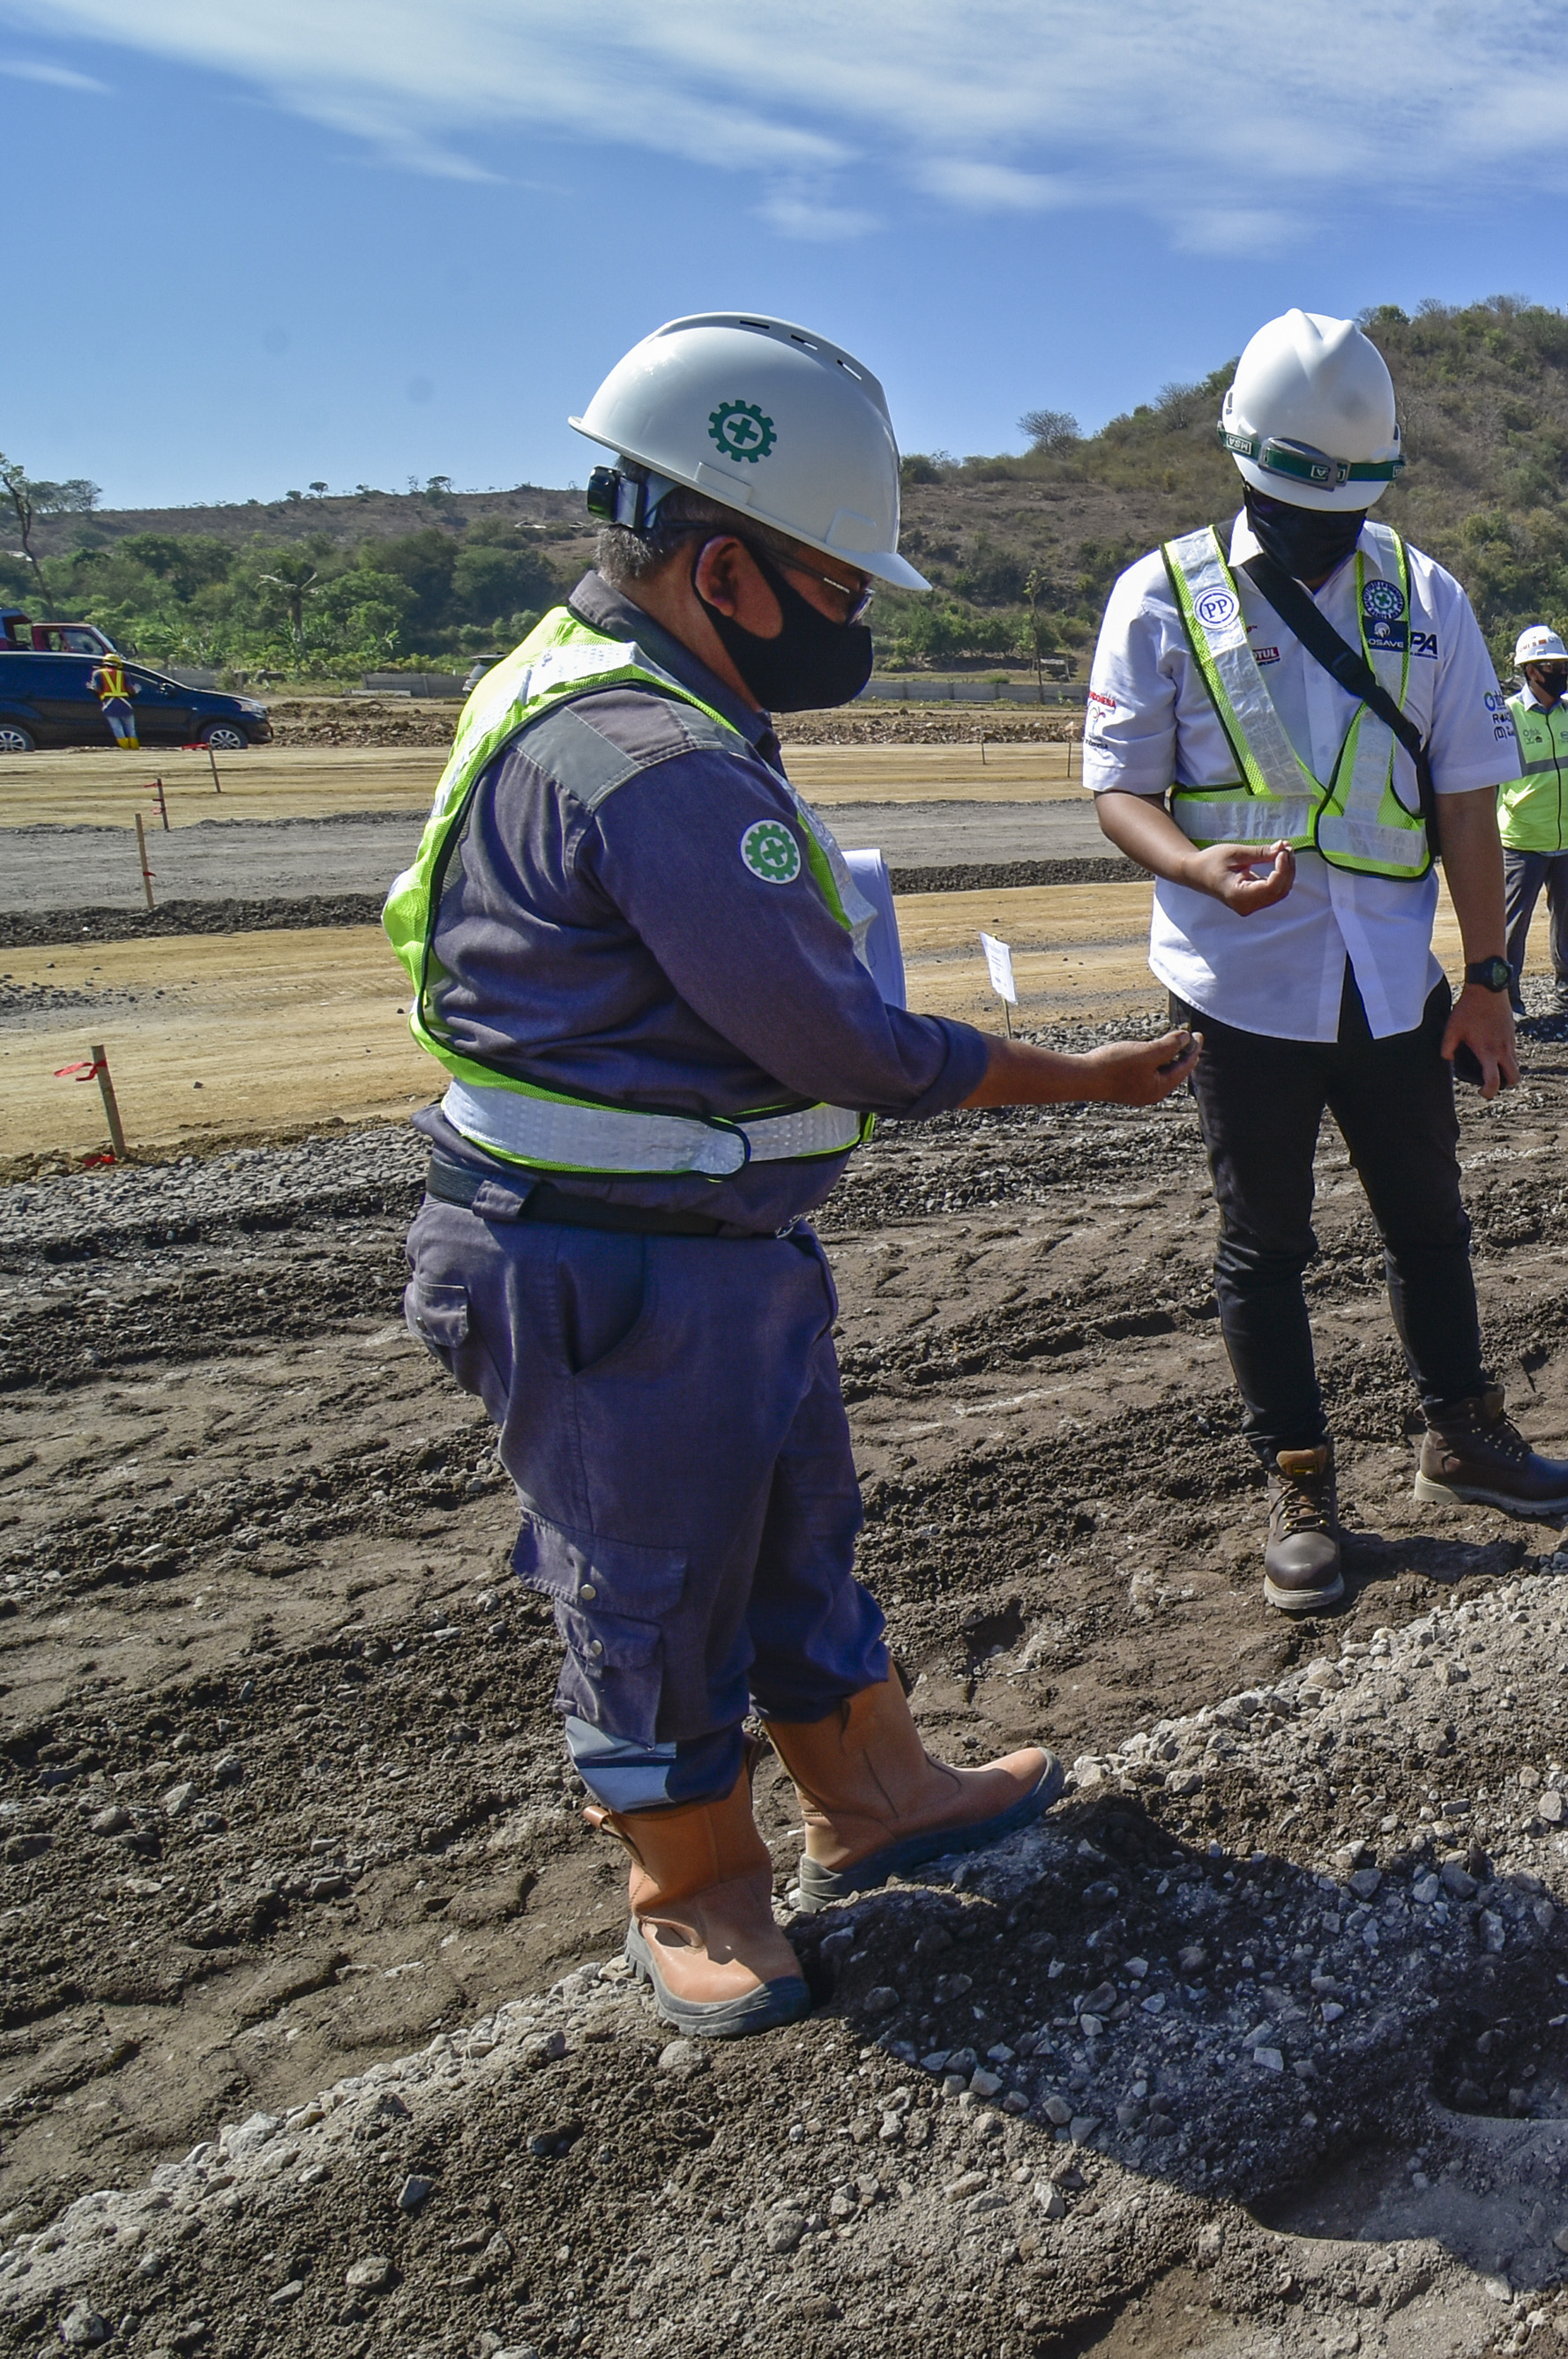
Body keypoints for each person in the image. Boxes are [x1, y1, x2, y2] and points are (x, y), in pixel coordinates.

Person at [389, 312, 1196, 2042]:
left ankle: (876, 1788)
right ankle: (690, 1886)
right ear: (725, 570)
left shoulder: (607, 691)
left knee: (791, 1536)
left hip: (707, 1241)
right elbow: (849, 1044)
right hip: (606, 1264)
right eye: (838, 581)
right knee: (649, 1574)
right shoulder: (657, 767)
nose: (852, 616)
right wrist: (1085, 1072)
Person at [1084, 309, 1568, 1620]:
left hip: (1391, 978)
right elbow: (1118, 787)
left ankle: (1460, 1432)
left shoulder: (1424, 596)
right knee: (1266, 1243)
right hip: (1238, 983)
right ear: (1244, 462)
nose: (1320, 530)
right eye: (1294, 502)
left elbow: (1467, 797)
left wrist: (1489, 978)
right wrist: (1193, 866)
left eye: (1347, 504)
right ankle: (1300, 1479)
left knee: (1429, 1219)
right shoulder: (1162, 594)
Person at [1499, 624, 1568, 1012]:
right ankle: (1508, 1001)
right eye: (1550, 665)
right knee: (1512, 926)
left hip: (1566, 838)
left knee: (1567, 919)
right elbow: (1491, 782)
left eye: (1562, 664)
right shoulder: (1508, 715)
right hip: (1521, 841)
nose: (1559, 671)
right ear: (1531, 670)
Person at [92, 650, 138, 750]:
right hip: (125, 705)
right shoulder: (124, 674)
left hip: (109, 706)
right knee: (131, 730)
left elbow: (97, 689)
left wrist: (91, 688)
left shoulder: (98, 674)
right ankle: (135, 749)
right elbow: (130, 690)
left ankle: (125, 750)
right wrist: (136, 691)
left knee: (117, 729)